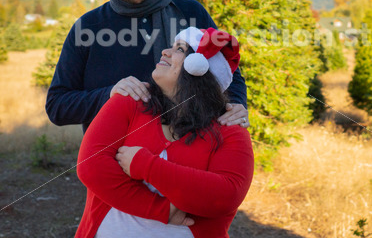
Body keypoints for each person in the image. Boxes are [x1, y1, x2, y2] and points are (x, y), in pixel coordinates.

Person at [45, 0, 249, 131]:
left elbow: (230, 74)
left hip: (190, 151)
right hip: (114, 158)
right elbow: (57, 106)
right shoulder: (87, 27)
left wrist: (237, 104)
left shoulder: (190, 12)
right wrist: (109, 94)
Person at [75, 27, 254, 238]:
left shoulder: (229, 127)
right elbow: (91, 167)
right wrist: (161, 210)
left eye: (179, 49)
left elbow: (225, 195)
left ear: (199, 68)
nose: (165, 52)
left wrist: (145, 165)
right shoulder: (131, 99)